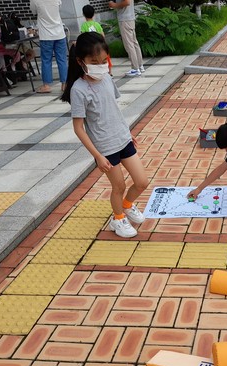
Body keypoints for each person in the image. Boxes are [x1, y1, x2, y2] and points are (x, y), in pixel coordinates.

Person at [61, 32, 148, 238]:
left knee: (142, 182)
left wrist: (127, 133)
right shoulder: (79, 90)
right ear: (81, 61)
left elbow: (114, 110)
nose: (100, 65)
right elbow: (78, 128)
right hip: (105, 147)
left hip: (122, 139)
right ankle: (117, 220)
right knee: (118, 186)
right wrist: (97, 156)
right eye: (94, 61)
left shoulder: (107, 78)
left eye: (103, 61)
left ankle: (127, 206)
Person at [30, 0, 68, 93]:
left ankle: (46, 85)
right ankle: (65, 84)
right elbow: (59, 9)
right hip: (59, 32)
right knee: (62, 59)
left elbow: (33, 11)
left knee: (46, 60)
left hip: (46, 34)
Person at [108, 0, 144, 77]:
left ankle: (135, 68)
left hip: (125, 19)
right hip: (130, 18)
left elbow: (127, 2)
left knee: (129, 44)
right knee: (134, 43)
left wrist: (114, 5)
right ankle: (140, 66)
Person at [81, 5, 112, 76]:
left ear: (83, 14)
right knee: (106, 58)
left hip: (90, 47)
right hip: (99, 45)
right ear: (94, 13)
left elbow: (83, 36)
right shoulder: (97, 24)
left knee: (93, 60)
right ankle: (109, 72)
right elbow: (103, 35)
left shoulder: (84, 25)